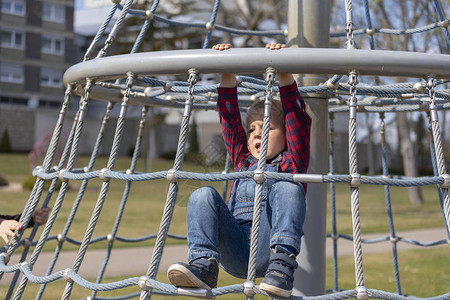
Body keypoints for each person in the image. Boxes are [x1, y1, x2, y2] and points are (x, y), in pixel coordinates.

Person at [167, 43, 311, 298]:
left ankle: (283, 264)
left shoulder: (292, 160)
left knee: (288, 184)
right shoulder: (243, 160)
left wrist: (284, 73)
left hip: (270, 251)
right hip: (235, 250)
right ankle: (204, 265)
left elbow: (295, 119)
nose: (258, 133)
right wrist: (227, 72)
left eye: (268, 127)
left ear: (286, 136)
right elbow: (229, 118)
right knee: (202, 195)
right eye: (253, 129)